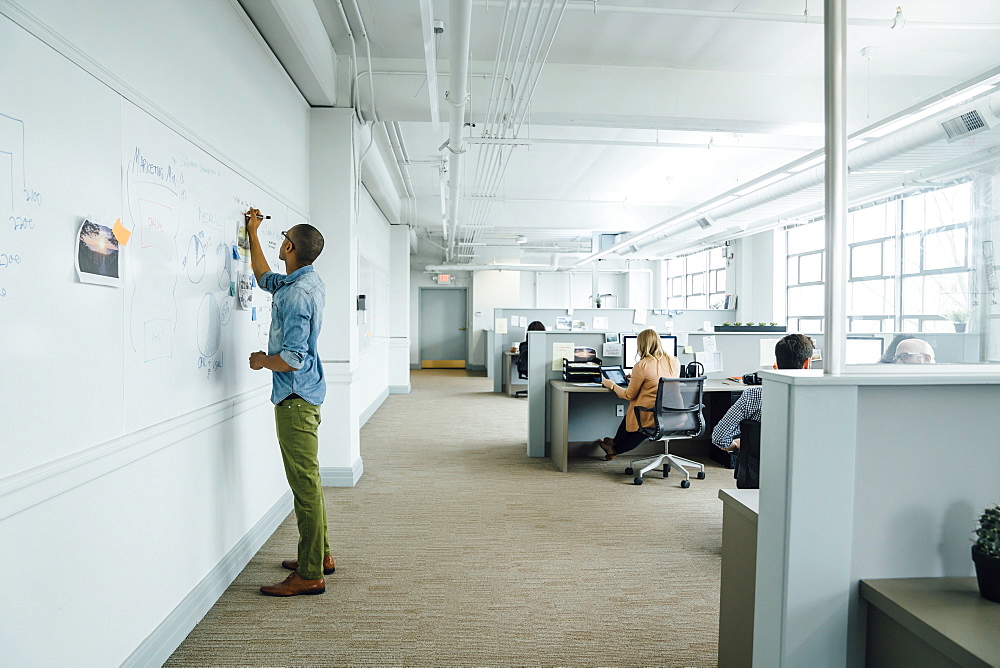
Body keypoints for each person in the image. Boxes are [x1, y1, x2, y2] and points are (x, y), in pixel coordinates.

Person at [245, 208, 333, 597]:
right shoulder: (307, 281)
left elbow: (292, 358)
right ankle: (321, 556)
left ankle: (311, 573)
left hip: (295, 397)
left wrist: (262, 361)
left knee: (304, 485)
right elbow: (265, 279)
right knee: (309, 481)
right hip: (306, 393)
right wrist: (252, 232)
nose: (278, 244)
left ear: (289, 246)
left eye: (281, 239)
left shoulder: (297, 295)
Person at [711, 334, 814, 464]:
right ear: (807, 364)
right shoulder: (820, 400)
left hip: (761, 474)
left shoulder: (754, 395)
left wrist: (738, 445)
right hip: (808, 472)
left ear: (775, 367)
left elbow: (719, 437)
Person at [596, 328, 680, 460]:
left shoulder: (642, 365)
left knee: (634, 412)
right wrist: (635, 378)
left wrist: (611, 384)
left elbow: (628, 395)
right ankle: (614, 442)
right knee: (634, 413)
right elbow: (658, 382)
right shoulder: (673, 361)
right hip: (673, 414)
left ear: (641, 345)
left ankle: (614, 448)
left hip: (651, 415)